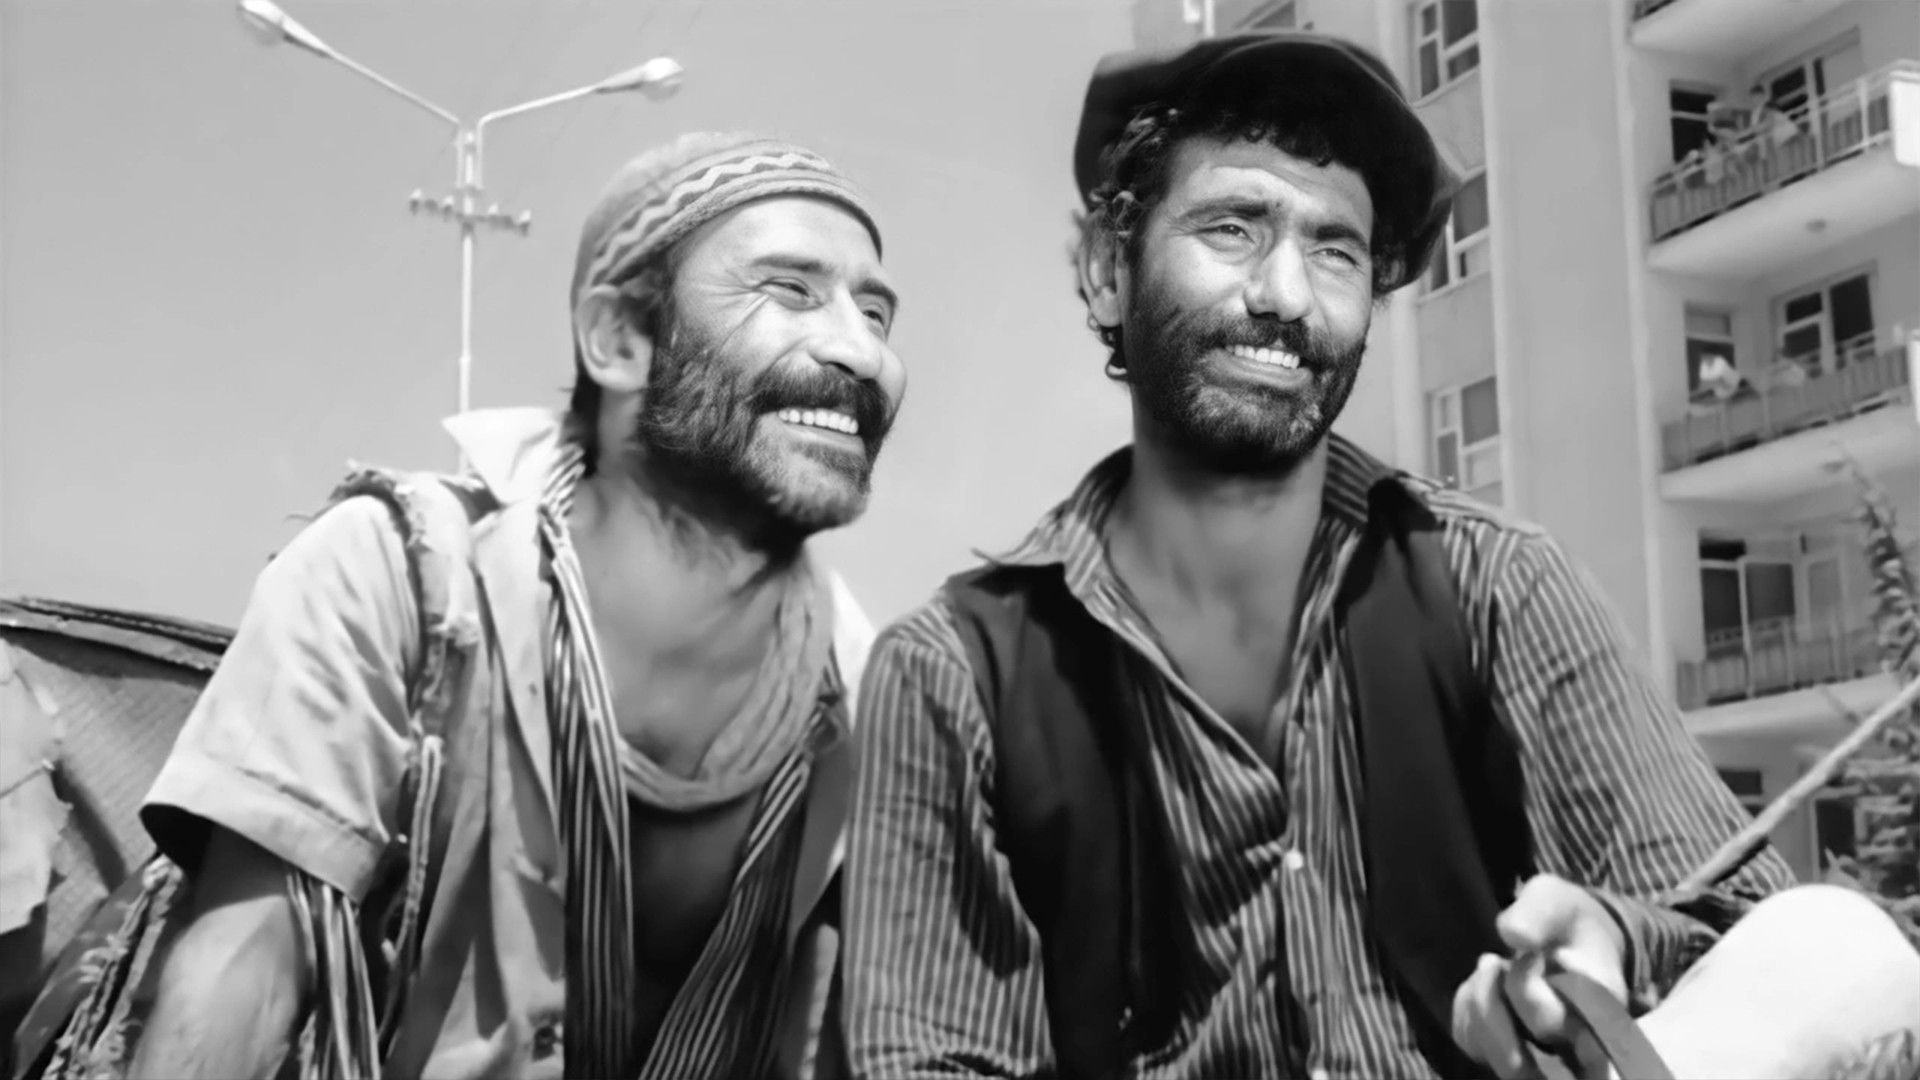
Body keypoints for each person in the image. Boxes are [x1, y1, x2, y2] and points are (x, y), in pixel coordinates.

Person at [841, 32, 1920, 1080]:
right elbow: (932, 1056)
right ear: (1106, 270)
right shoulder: (954, 674)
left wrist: (1607, 939)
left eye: (1336, 250)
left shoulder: (1497, 586)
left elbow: (1736, 927)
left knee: (1846, 944)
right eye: (1232, 227)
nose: (1286, 295)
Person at [54, 131, 903, 1080]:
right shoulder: (403, 573)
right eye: (791, 291)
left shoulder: (855, 690)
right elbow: (248, 968)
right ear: (619, 339)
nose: (861, 351)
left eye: (877, 313)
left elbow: (822, 1033)